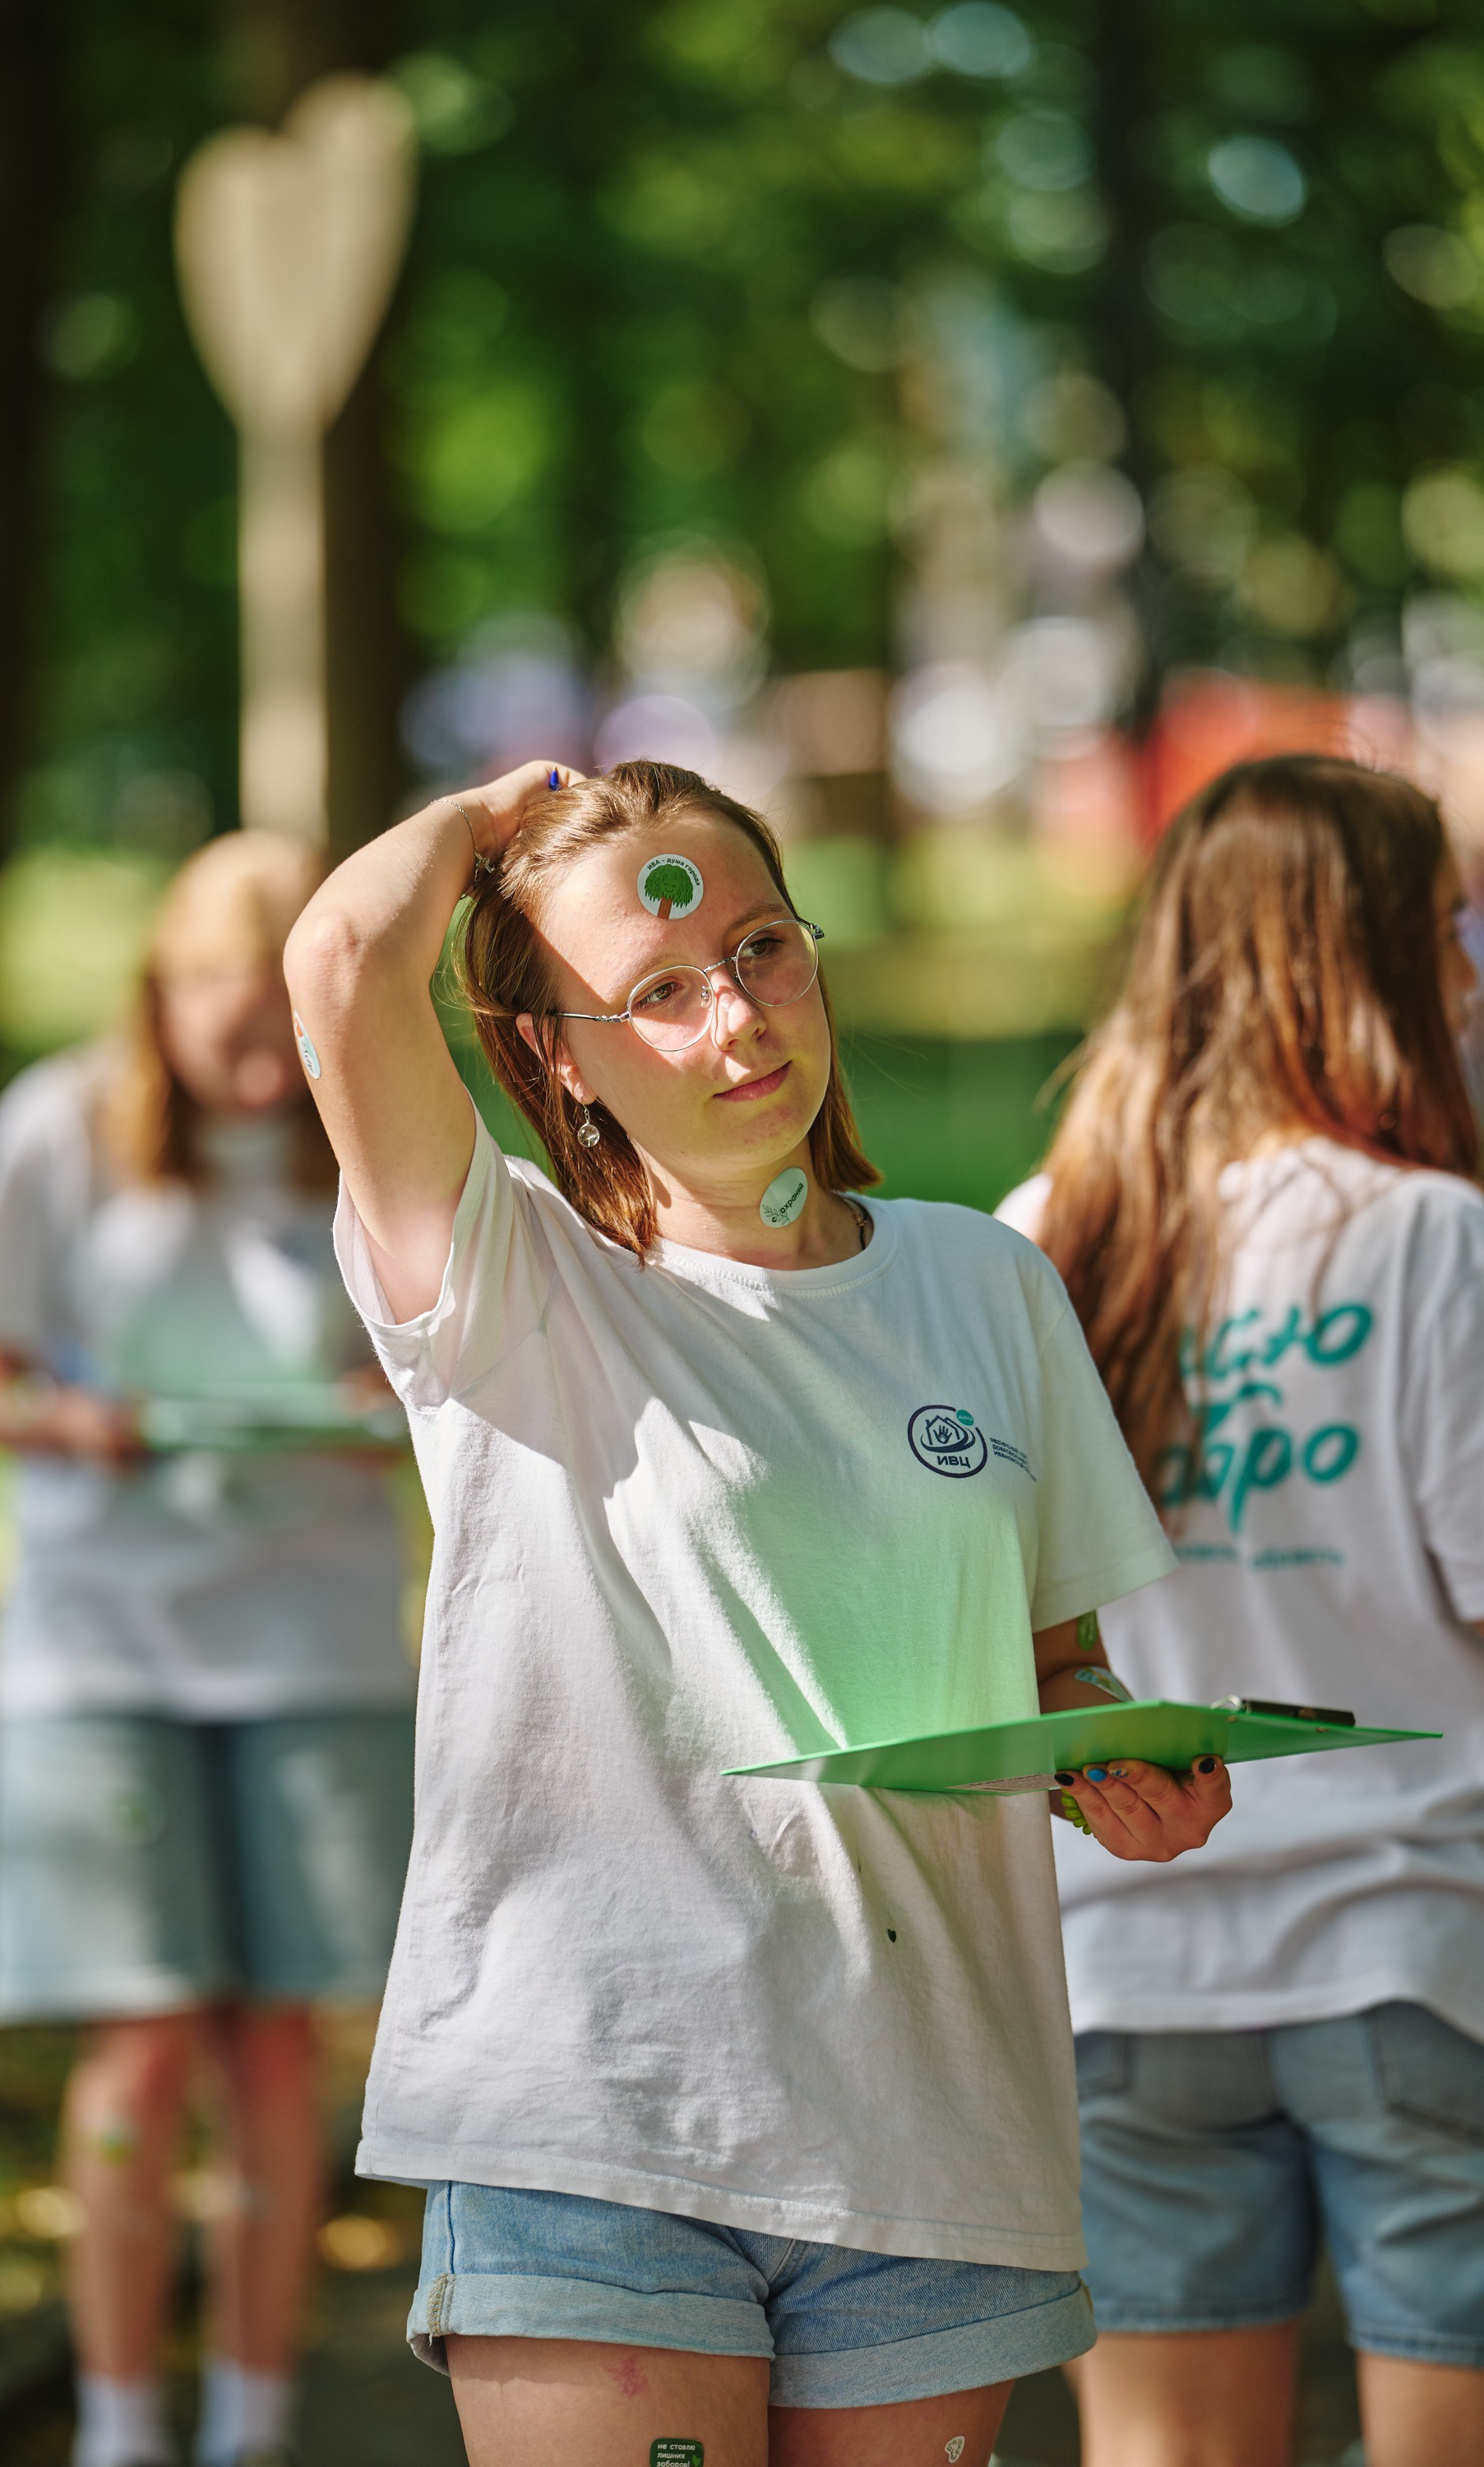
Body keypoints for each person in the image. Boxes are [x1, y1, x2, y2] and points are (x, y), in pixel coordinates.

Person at [282, 754, 1231, 2467]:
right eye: (652, 989)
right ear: (550, 1059)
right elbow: (347, 962)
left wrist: (1126, 1771)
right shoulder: (508, 1282)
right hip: (598, 2112)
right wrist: (499, 818)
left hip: (935, 2124)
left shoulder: (985, 1281)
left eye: (761, 947)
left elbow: (1057, 1664)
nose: (734, 1011)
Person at [997, 755, 1484, 2467]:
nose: (1471, 973)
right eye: (1446, 930)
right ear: (1351, 958)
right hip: (1418, 1944)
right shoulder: (1434, 1239)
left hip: (1123, 1964)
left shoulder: (1041, 1237)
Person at [0, 832, 418, 2467]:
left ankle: (252, 2418)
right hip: (103, 1656)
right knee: (140, 2041)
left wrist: (383, 1415)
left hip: (314, 1651)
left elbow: (452, 1376)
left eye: (285, 1012)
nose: (258, 1052)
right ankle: (123, 2423)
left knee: (276, 2038)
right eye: (223, 1002)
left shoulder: (369, 1141)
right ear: (164, 988)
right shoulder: (61, 1127)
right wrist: (86, 1423)